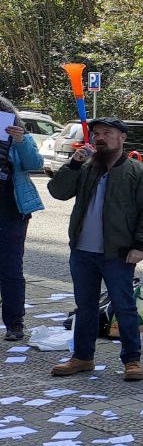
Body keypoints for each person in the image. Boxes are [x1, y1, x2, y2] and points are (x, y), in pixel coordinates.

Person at [47, 117, 143, 382]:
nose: (100, 138)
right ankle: (82, 357)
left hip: (118, 252)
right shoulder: (86, 167)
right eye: (97, 133)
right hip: (83, 251)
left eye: (107, 133)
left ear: (122, 137)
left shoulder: (138, 171)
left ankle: (132, 360)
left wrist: (140, 245)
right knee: (85, 306)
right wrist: (73, 163)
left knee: (124, 306)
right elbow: (57, 192)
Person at [0, 95, 44, 342]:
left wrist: (20, 141)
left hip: (10, 207)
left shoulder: (19, 138)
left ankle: (15, 323)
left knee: (10, 267)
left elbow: (35, 164)